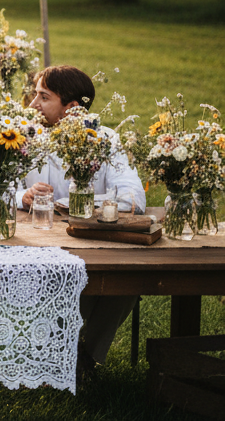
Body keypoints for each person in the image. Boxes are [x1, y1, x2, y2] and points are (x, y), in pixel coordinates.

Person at [21, 65, 144, 375]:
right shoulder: (23, 134)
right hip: (36, 244)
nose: (33, 105)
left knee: (128, 282)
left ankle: (85, 356)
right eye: (35, 95)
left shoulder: (104, 139)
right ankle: (64, 356)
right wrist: (21, 197)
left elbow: (134, 199)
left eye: (43, 97)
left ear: (72, 108)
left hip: (91, 244)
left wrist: (78, 204)